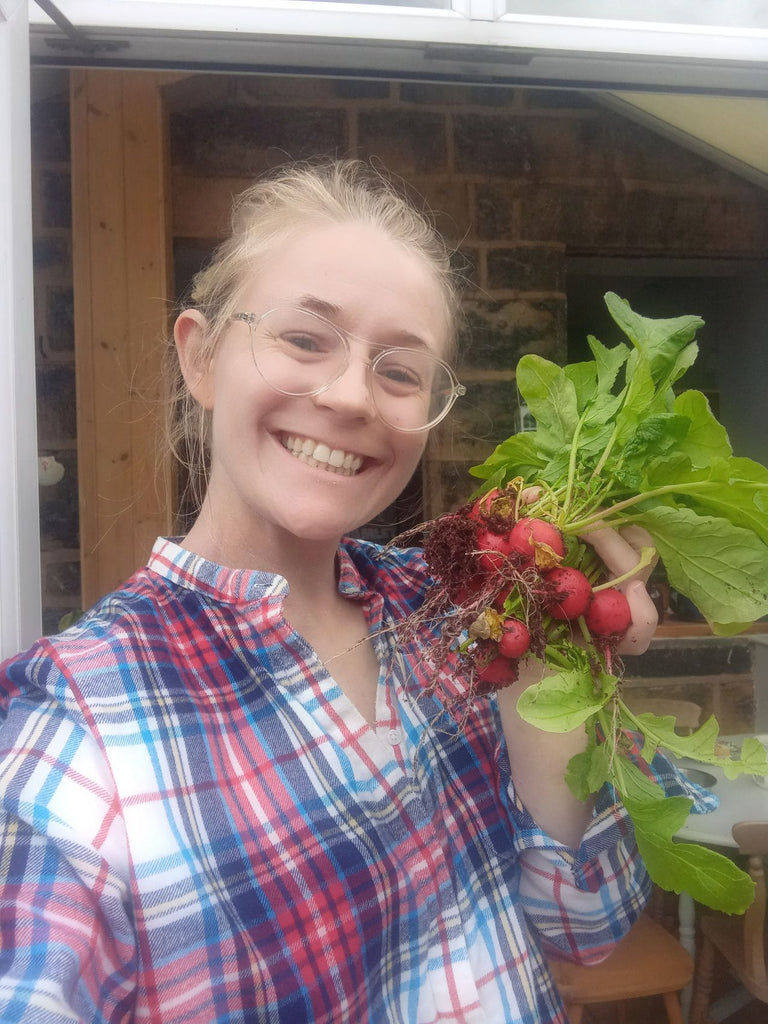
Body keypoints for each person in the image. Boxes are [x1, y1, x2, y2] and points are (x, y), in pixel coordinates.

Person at [0, 159, 686, 1024]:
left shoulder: (456, 612)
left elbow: (584, 928)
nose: (353, 394)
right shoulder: (80, 730)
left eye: (400, 372)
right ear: (202, 358)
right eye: (304, 338)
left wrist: (562, 662)